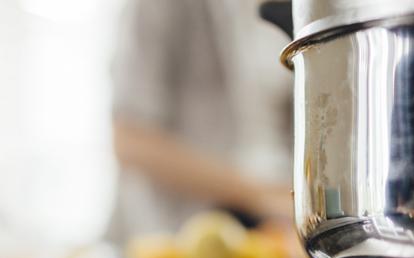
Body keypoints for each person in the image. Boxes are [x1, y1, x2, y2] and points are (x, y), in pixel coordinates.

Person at [107, 0, 293, 244]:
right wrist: (262, 196)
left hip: (269, 234)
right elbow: (131, 139)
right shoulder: (158, 7)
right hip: (177, 237)